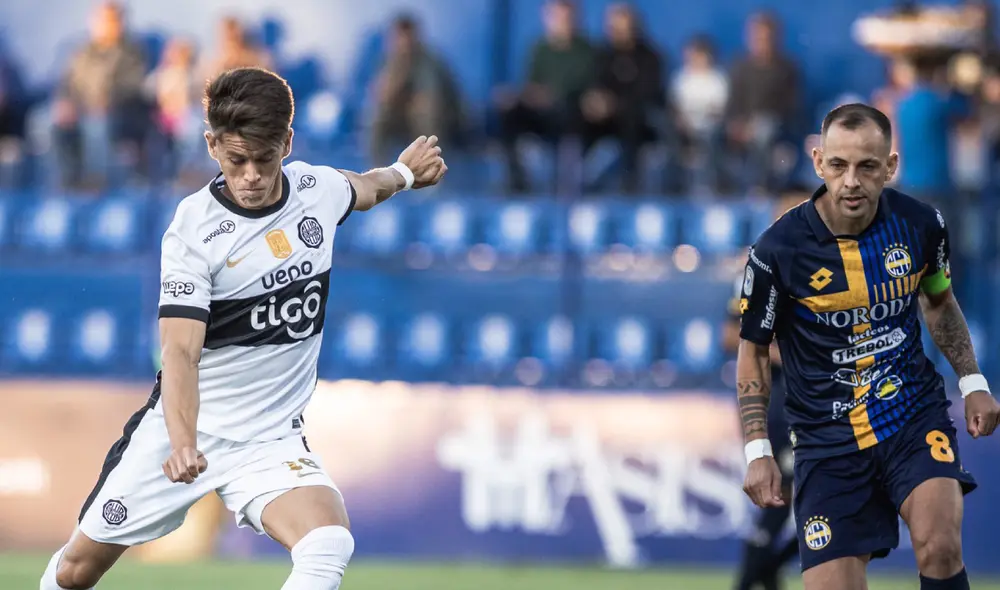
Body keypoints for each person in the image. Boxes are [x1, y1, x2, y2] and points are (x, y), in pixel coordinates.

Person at [40, 67, 447, 590]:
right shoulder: (194, 230)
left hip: (268, 441)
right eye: (237, 160)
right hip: (182, 435)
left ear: (288, 144)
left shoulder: (315, 190)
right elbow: (180, 354)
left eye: (265, 158)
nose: (252, 174)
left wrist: (405, 174)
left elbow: (365, 188)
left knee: (328, 543)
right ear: (212, 146)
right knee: (77, 571)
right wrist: (184, 443)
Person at [737, 102, 1000, 590]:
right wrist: (756, 449)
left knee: (941, 546)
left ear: (891, 167)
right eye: (838, 165)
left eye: (867, 166)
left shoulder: (922, 225)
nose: (851, 181)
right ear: (818, 162)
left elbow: (939, 303)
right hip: (825, 441)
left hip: (910, 414)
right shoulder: (777, 252)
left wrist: (974, 380)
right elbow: (751, 350)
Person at [725, 267, 798, 589]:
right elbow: (730, 337)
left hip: (815, 406)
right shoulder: (762, 276)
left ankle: (763, 576)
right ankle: (752, 579)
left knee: (788, 504)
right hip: (780, 408)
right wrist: (794, 356)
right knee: (779, 498)